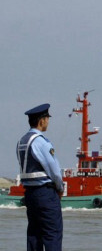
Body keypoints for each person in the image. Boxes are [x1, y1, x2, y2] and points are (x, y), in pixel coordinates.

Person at [16, 103, 64, 251]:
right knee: (52, 236)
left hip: (30, 194)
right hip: (46, 194)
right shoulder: (41, 142)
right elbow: (54, 170)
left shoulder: (21, 142)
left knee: (34, 237)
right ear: (41, 120)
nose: (48, 122)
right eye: (47, 119)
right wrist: (60, 188)